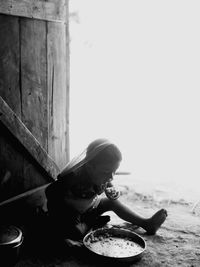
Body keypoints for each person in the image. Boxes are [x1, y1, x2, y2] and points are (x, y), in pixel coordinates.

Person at [45, 138, 167, 246]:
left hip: (89, 208)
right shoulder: (72, 178)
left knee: (111, 203)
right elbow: (50, 191)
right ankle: (91, 222)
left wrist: (113, 191)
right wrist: (60, 222)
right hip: (69, 214)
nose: (111, 176)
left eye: (114, 171)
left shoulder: (101, 176)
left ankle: (146, 224)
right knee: (76, 233)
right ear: (89, 167)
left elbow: (109, 185)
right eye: (107, 172)